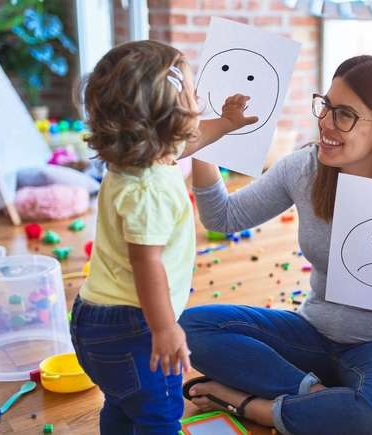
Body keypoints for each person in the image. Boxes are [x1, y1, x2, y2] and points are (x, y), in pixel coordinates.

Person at [181, 55, 372, 435]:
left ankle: (257, 406)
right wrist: (205, 142)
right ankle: (312, 394)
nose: (326, 122)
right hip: (312, 336)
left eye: (344, 114)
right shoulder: (305, 169)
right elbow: (223, 218)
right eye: (326, 105)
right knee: (188, 328)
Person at [69, 40, 257, 434]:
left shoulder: (138, 158)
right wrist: (165, 328)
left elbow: (192, 140)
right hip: (133, 327)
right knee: (160, 414)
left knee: (123, 404)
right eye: (190, 92)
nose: (199, 96)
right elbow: (146, 262)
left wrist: (227, 122)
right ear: (168, 117)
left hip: (96, 320)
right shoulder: (149, 189)